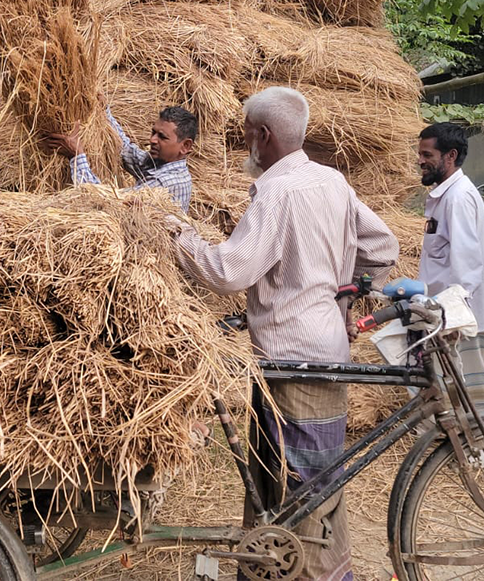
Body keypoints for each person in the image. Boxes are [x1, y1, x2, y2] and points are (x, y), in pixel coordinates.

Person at [170, 87, 398, 581]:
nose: (244, 142)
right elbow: (382, 246)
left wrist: (179, 237)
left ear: (264, 135)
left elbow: (232, 270)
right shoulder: (331, 180)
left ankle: (310, 573)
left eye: (246, 133)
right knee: (307, 476)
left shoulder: (277, 191)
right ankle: (272, 567)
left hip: (293, 356)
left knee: (303, 485)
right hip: (326, 348)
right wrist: (345, 298)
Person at [417, 122, 484, 410]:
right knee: (458, 388)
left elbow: (467, 267)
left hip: (456, 318)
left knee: (478, 394)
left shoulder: (458, 199)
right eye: (420, 154)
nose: (420, 161)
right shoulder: (446, 196)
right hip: (444, 313)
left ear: (450, 156)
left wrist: (453, 316)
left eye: (427, 155)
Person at [44, 106, 196, 212]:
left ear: (185, 146)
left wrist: (76, 156)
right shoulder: (163, 164)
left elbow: (108, 204)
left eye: (162, 137)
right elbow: (126, 150)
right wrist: (104, 111)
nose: (152, 140)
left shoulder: (163, 184)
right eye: (153, 132)